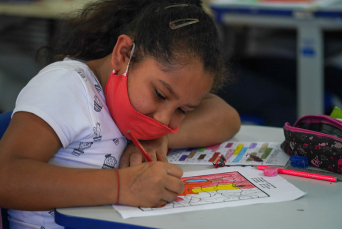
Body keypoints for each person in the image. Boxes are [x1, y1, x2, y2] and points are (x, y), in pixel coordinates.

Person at [0, 0, 240, 228]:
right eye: (159, 94)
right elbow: (6, 177)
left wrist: (155, 137)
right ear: (124, 54)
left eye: (182, 110)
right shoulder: (67, 86)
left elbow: (225, 117)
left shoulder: (136, 105)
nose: (164, 120)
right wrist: (123, 187)